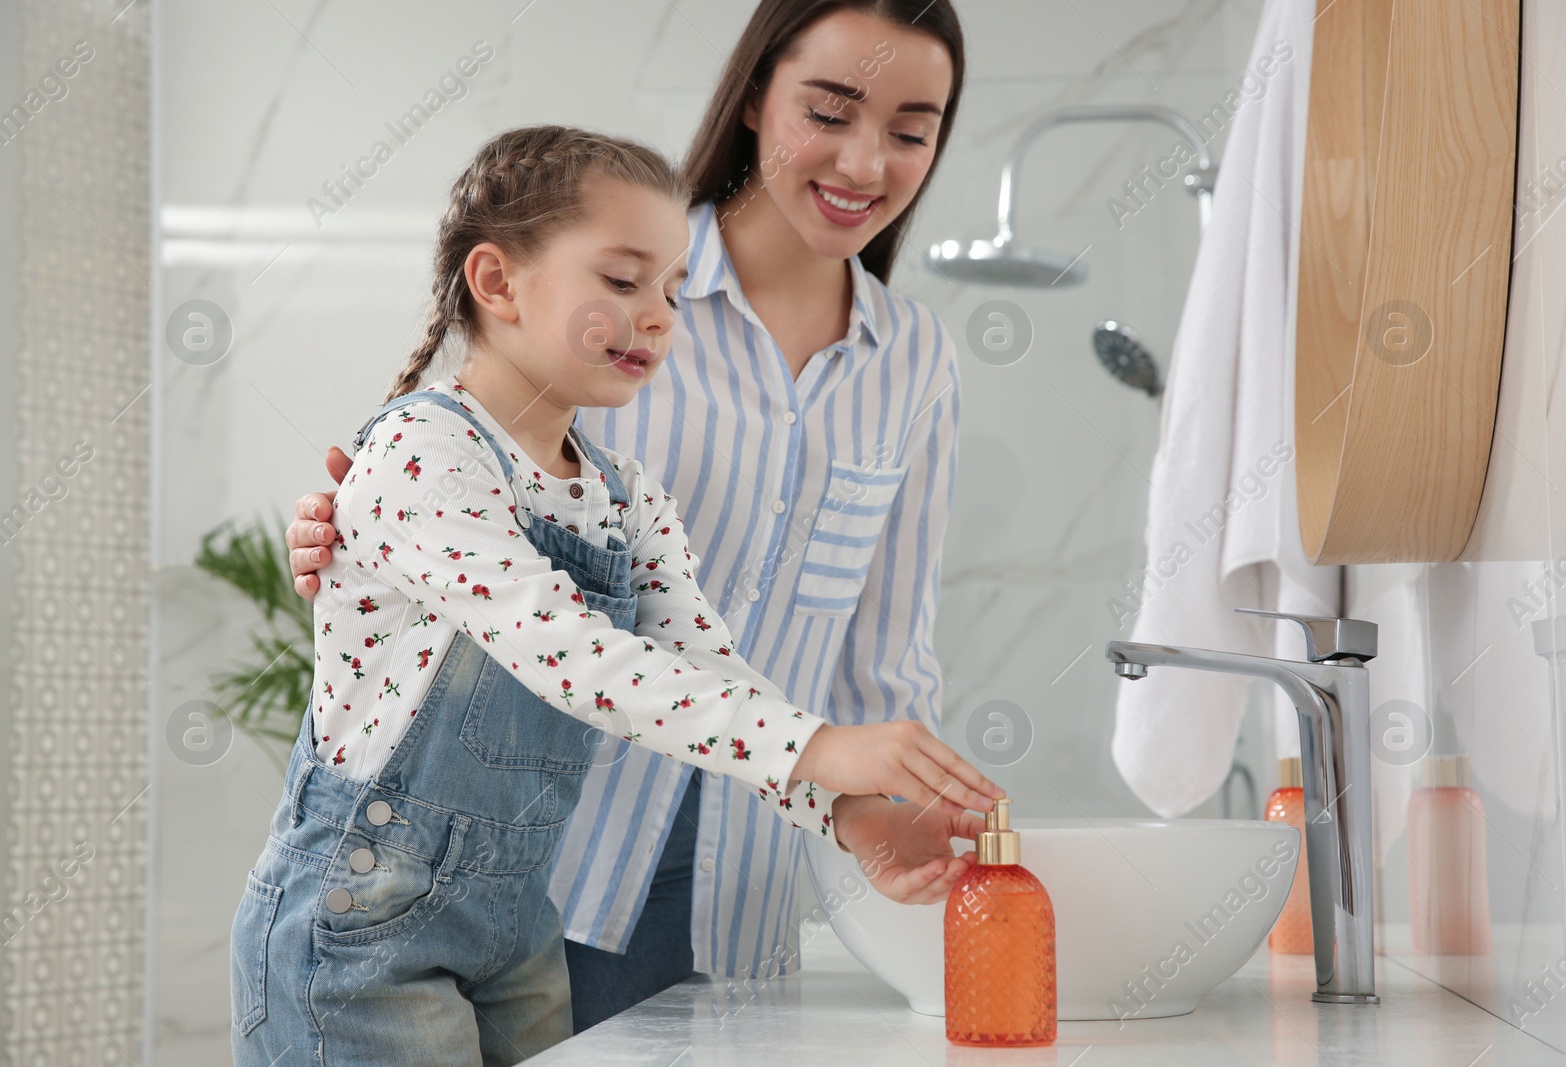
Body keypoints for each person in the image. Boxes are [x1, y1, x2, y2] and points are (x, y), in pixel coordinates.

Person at [233, 124, 999, 1067]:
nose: (658, 315)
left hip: (515, 925)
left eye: (674, 291)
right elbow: (574, 655)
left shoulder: (626, 499)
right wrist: (825, 746)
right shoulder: (423, 456)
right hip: (361, 926)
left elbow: (701, 670)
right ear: (498, 281)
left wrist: (840, 809)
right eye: (624, 281)